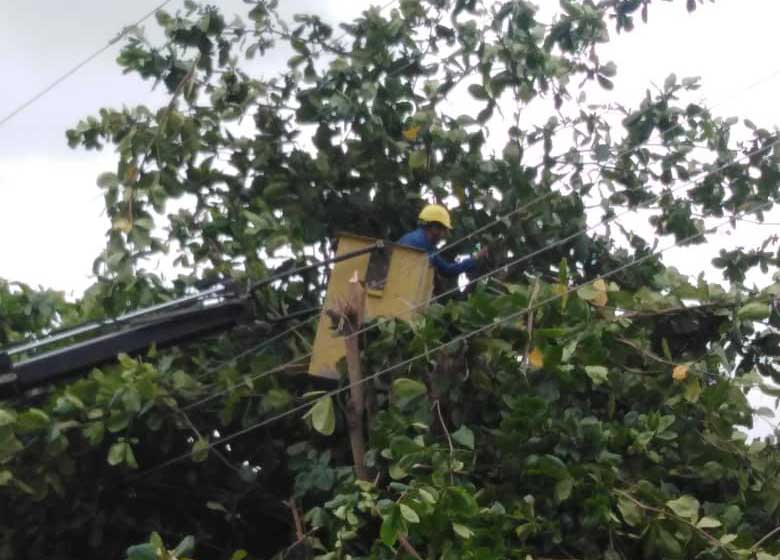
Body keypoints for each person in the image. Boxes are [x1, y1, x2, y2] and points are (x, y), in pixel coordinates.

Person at [398, 204, 487, 278]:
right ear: (435, 228)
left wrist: (475, 258)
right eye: (444, 230)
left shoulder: (428, 247)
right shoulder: (415, 242)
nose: (444, 235)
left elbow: (448, 270)